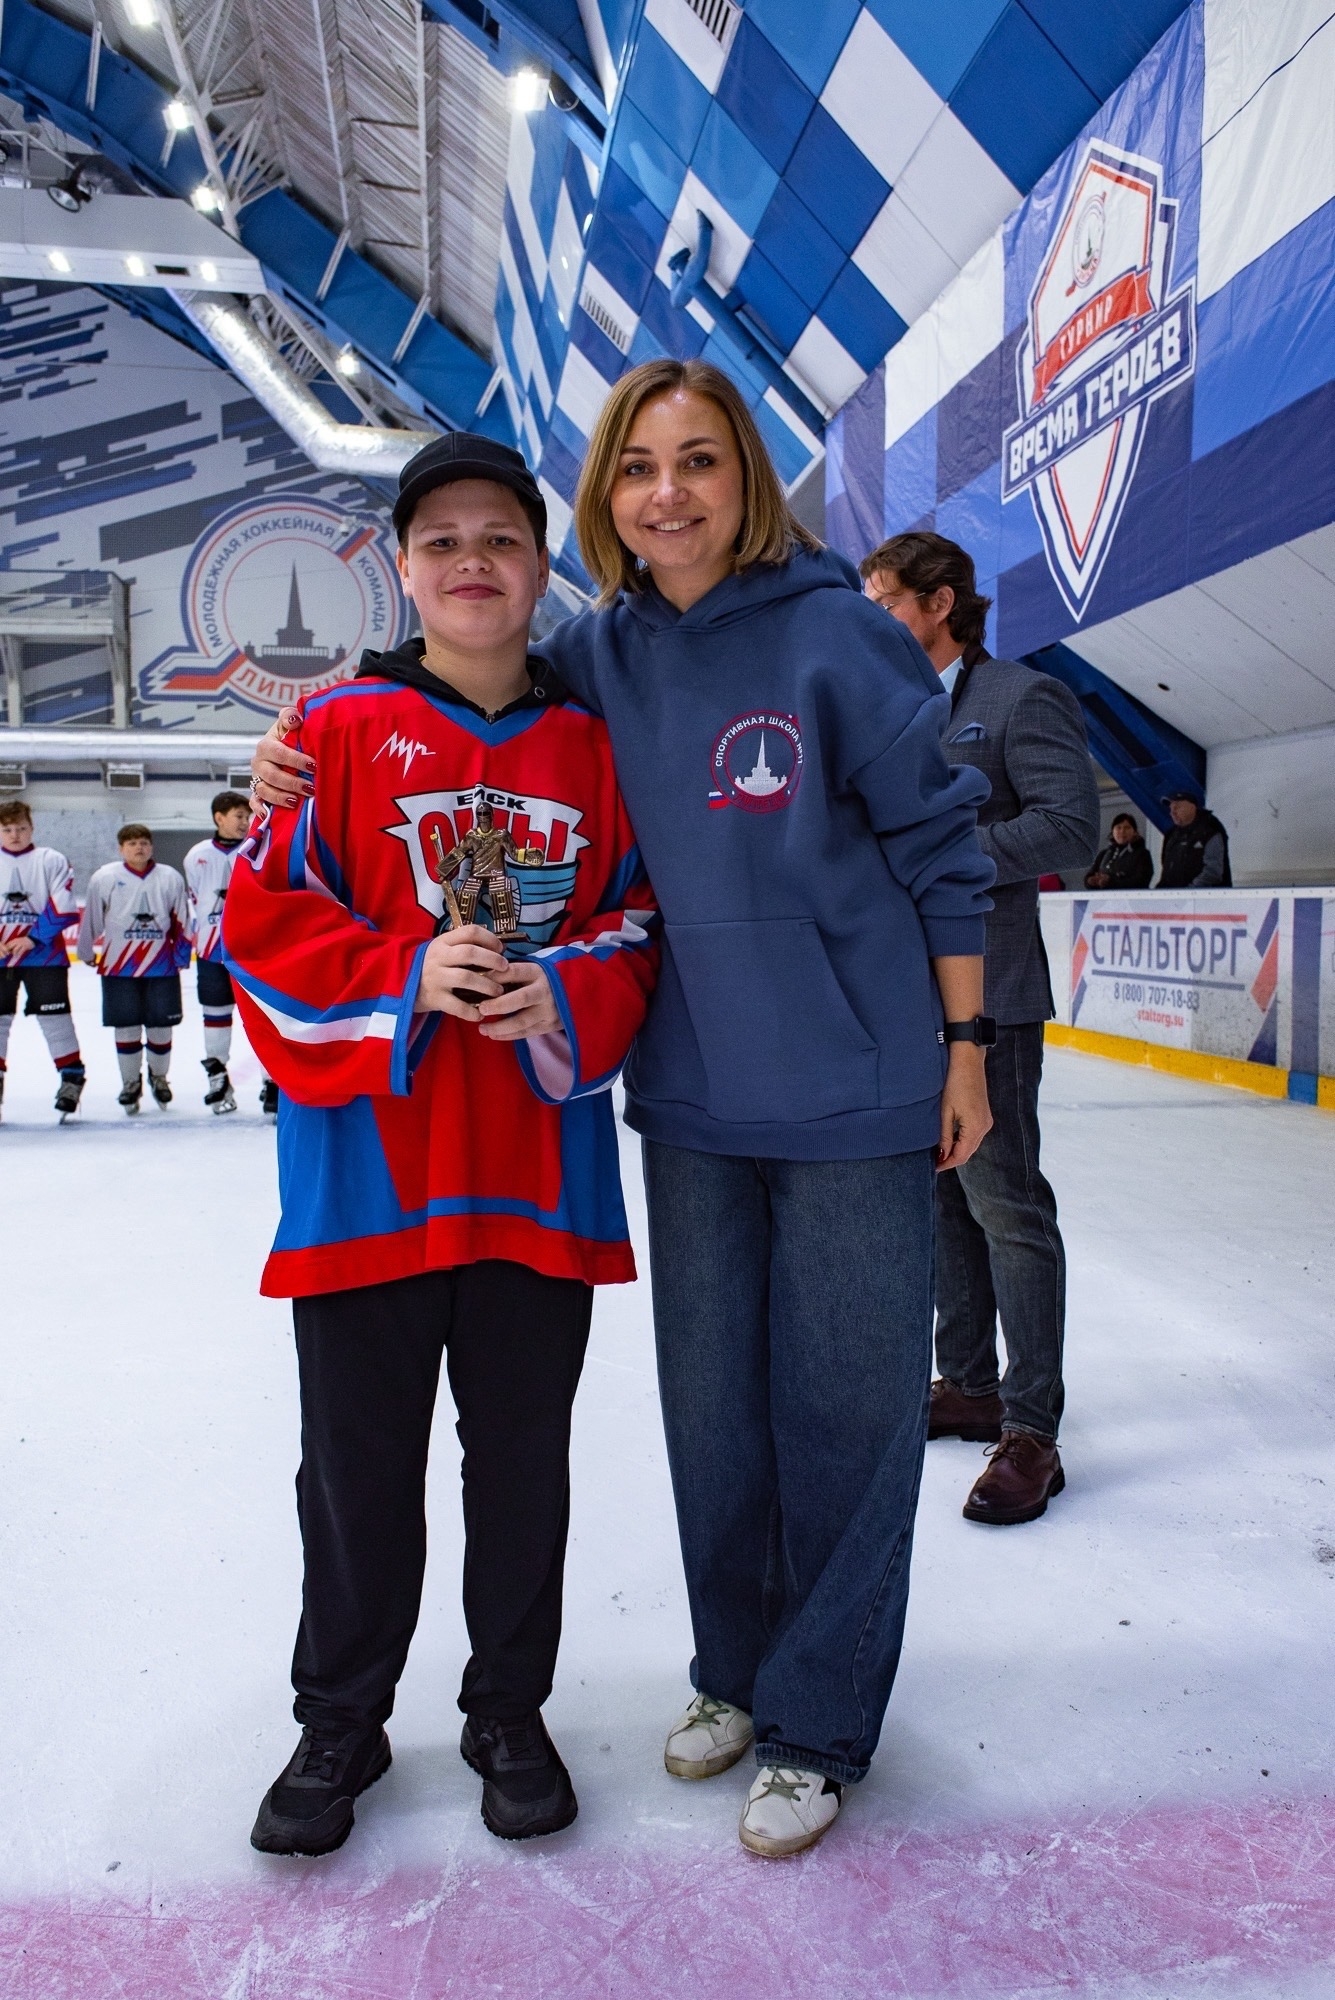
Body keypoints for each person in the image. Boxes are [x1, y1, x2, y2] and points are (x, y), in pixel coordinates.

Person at [253, 358, 995, 1859]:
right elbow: (405, 758)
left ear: (744, 479)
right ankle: (718, 1672)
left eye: (699, 460)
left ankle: (806, 1718)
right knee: (707, 1422)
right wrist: (292, 761)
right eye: (640, 466)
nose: (669, 492)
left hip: (838, 1091)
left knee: (838, 1424)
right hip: (680, 1106)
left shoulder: (828, 637)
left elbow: (925, 846)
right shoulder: (587, 662)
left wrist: (967, 1044)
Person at [226, 434, 659, 1857]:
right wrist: (405, 974)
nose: (473, 561)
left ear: (541, 567)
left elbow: (635, 923)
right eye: (442, 540)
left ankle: (507, 1710)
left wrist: (566, 988)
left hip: (533, 1178)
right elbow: (264, 920)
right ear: (404, 569)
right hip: (369, 1182)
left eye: (501, 538)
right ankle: (340, 1716)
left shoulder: (594, 746)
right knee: (355, 1471)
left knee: (522, 1465)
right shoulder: (334, 732)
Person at [862, 531, 1099, 1528]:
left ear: (940, 601)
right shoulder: (883, 705)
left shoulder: (1017, 697)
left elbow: (1070, 826)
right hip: (904, 995)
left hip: (992, 994)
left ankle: (1032, 1428)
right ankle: (967, 1382)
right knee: (943, 1195)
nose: (871, 617)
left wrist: (947, 850)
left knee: (1005, 1201)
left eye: (885, 599)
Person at [77, 824, 190, 1113]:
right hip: (118, 968)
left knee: (161, 1027)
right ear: (121, 849)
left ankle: (159, 1077)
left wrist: (181, 956)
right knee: (126, 1027)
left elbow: (182, 920)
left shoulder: (170, 877)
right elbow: (92, 918)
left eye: (143, 842)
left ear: (151, 846)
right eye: (131, 843)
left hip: (161, 967)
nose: (138, 847)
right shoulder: (104, 877)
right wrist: (85, 951)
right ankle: (130, 1083)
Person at [184, 790, 273, 1115]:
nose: (245, 822)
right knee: (215, 1015)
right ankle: (218, 1078)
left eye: (247, 816)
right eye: (239, 816)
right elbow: (196, 899)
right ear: (218, 818)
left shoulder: (260, 846)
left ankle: (272, 1081)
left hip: (254, 951)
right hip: (211, 951)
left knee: (263, 1017)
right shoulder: (196, 855)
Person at [0, 799, 84, 1121]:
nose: (15, 835)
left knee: (55, 1019)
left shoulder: (51, 859)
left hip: (45, 957)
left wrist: (32, 938)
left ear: (32, 828)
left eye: (21, 828)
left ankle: (72, 1078)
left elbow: (63, 905)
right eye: (7, 829)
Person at [1157, 790, 1231, 887]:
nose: (1172, 812)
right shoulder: (1171, 835)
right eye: (1171, 809)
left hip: (1203, 895)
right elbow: (1166, 871)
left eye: (1177, 807)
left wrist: (1190, 891)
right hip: (1174, 895)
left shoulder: (1210, 830)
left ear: (1192, 807)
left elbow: (1213, 872)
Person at [1085, 812, 1153, 890]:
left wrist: (1111, 882)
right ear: (1112, 831)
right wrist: (1090, 881)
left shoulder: (1143, 854)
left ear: (1135, 832)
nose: (1122, 831)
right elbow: (1090, 875)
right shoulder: (1103, 854)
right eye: (1118, 827)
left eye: (1127, 828)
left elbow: (1142, 881)